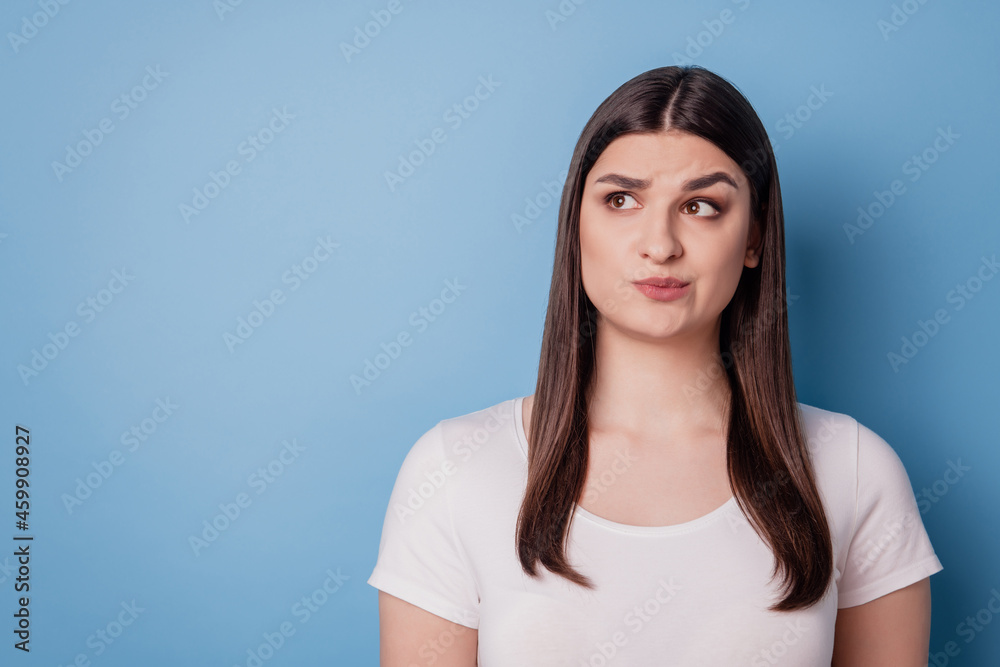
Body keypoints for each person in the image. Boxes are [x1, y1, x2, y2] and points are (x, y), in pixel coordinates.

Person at [367, 65, 944, 665]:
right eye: (621, 199)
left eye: (701, 206)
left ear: (754, 239)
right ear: (576, 224)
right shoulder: (453, 471)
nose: (660, 243)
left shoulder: (853, 470)